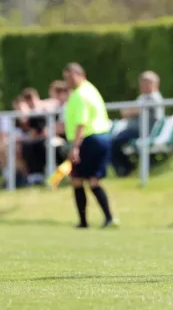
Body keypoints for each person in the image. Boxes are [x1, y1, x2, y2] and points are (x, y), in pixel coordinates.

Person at [63, 63, 117, 229]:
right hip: (101, 138)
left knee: (78, 179)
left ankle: (85, 221)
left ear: (81, 75)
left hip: (89, 140)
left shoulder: (80, 95)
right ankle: (108, 219)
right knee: (92, 179)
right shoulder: (90, 89)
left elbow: (81, 122)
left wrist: (75, 146)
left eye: (70, 77)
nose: (68, 81)